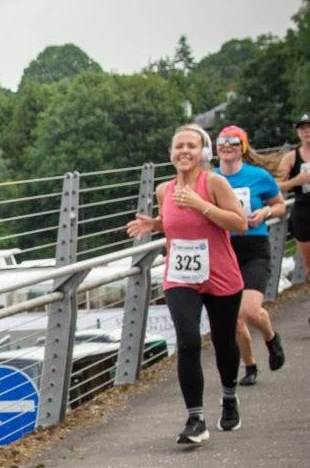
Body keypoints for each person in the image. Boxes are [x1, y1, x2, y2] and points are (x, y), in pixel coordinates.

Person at [127, 123, 247, 447]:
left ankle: (229, 395)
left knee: (224, 342)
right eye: (178, 146)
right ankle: (196, 418)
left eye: (191, 146)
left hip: (221, 274)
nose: (184, 151)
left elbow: (240, 223)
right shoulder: (164, 191)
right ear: (170, 153)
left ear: (203, 152)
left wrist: (200, 204)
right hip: (180, 276)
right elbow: (172, 223)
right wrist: (154, 224)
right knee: (189, 341)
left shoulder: (215, 183)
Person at [213, 125, 286, 385]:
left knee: (251, 311)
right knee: (235, 318)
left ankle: (271, 337)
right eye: (222, 141)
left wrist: (264, 213)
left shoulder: (258, 176)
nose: (226, 146)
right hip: (223, 250)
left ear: (242, 147)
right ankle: (250, 366)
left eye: (233, 142)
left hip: (254, 248)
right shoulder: (210, 179)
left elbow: (279, 205)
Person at [278, 112, 310, 300]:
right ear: (298, 133)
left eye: (309, 128)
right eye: (303, 129)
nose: (307, 132)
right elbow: (276, 186)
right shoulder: (291, 157)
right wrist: (296, 180)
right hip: (304, 210)